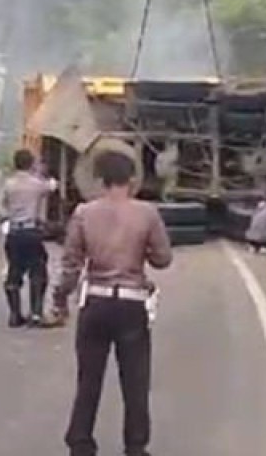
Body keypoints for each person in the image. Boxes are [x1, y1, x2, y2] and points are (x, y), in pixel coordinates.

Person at [51, 150, 172, 456]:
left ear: (100, 180)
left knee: (88, 378)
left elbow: (70, 264)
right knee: (135, 380)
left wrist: (60, 297)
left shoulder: (83, 213)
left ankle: (80, 442)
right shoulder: (146, 213)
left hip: (95, 301)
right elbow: (163, 259)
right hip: (131, 302)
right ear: (132, 180)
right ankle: (135, 445)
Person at [0, 149, 57, 327]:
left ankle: (15, 315)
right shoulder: (36, 184)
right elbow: (53, 186)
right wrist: (44, 173)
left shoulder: (8, 184)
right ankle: (36, 313)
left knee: (14, 273)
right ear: (31, 164)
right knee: (38, 271)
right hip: (31, 232)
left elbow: (1, 208)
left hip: (14, 232)